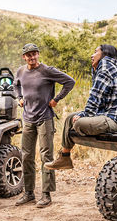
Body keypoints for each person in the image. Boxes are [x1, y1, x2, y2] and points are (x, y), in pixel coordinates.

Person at [46, 44, 117, 171]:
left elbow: (96, 96)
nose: (92, 55)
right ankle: (64, 157)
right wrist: (85, 113)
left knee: (79, 123)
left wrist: (85, 114)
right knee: (69, 119)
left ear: (105, 54)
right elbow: (100, 101)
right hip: (109, 114)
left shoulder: (106, 65)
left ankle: (65, 155)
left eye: (95, 52)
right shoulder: (106, 67)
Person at [12, 43, 75, 208]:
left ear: (38, 54)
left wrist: (56, 99)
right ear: (24, 57)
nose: (32, 57)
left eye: (34, 54)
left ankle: (46, 195)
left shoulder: (47, 71)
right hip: (28, 119)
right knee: (26, 156)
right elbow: (15, 85)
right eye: (29, 55)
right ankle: (28, 193)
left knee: (46, 156)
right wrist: (19, 97)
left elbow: (70, 82)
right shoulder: (21, 71)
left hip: (44, 118)